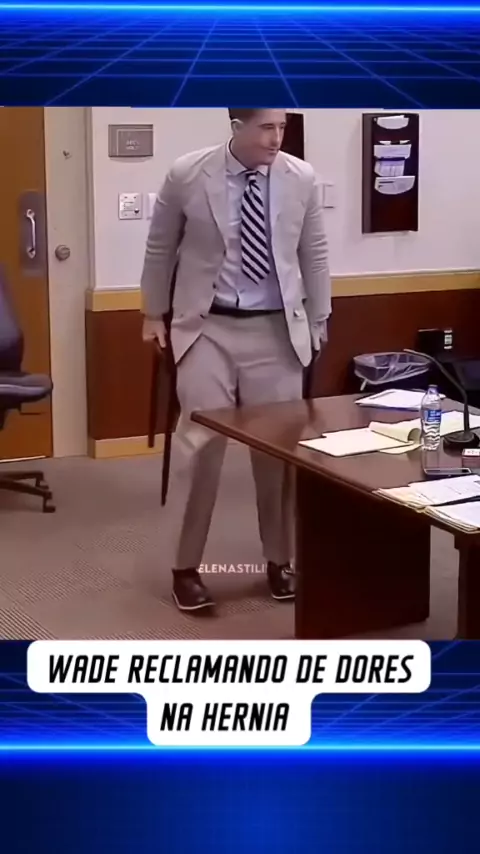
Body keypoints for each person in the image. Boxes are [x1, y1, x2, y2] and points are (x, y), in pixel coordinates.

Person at [141, 108, 331, 613]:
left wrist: (319, 319)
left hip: (276, 330)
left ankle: (280, 561)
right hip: (208, 327)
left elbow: (314, 252)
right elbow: (160, 247)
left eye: (282, 127)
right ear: (236, 126)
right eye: (266, 127)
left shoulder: (300, 178)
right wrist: (152, 314)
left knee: (279, 451)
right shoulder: (188, 173)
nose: (276, 138)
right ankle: (185, 568)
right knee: (200, 445)